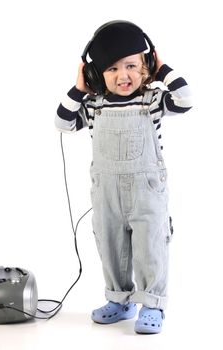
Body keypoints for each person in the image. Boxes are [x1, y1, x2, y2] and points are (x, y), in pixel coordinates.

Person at [55, 20, 192, 334]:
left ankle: (153, 303)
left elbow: (185, 98)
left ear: (146, 66)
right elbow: (62, 123)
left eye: (131, 66)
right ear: (95, 75)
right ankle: (119, 299)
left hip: (147, 192)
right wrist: (79, 88)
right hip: (107, 194)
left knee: (151, 247)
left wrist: (164, 70)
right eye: (111, 69)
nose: (123, 76)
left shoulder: (154, 100)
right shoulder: (94, 106)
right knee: (110, 245)